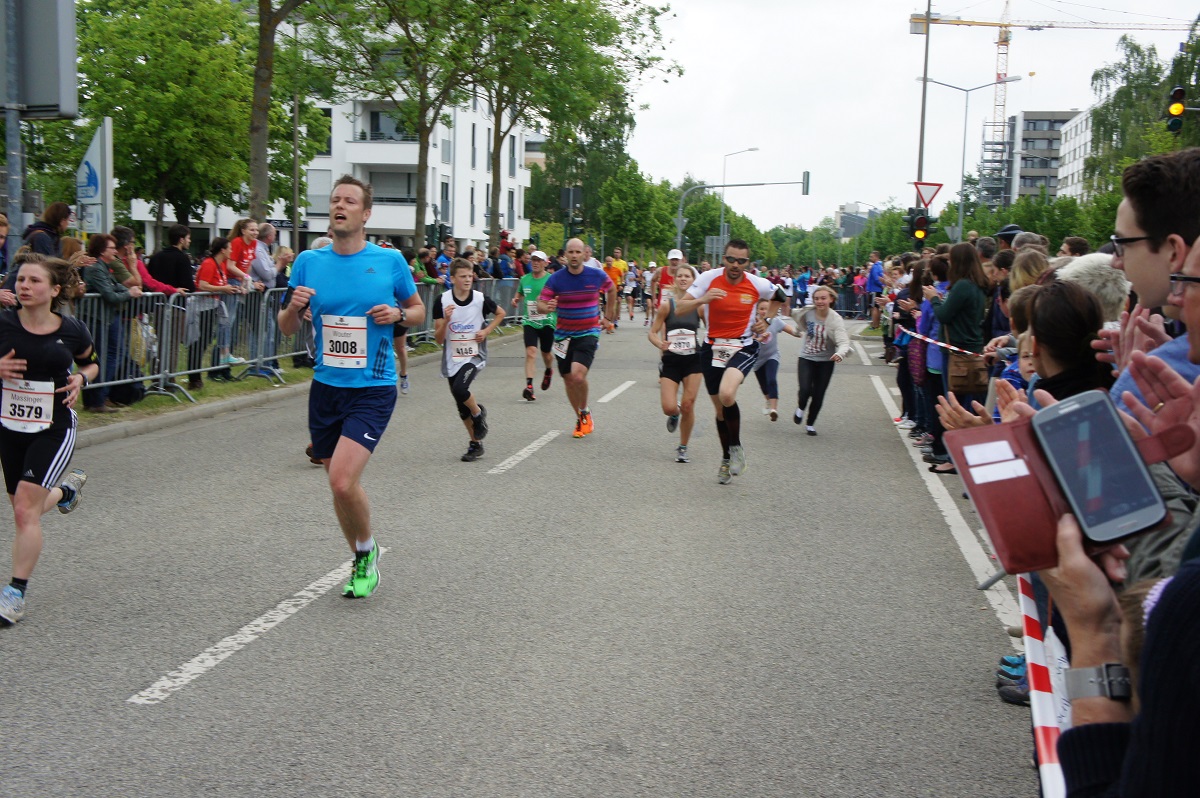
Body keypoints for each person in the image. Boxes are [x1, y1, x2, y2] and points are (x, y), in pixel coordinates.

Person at [278, 175, 424, 599]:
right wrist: (294, 307)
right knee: (337, 484)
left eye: (349, 201)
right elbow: (286, 328)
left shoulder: (389, 260)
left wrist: (397, 315)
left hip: (373, 386)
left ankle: (364, 554)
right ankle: (363, 550)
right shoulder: (308, 261)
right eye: (335, 200)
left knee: (342, 481)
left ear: (366, 214)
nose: (339, 206)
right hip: (326, 387)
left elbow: (417, 310)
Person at [0, 256, 97, 624]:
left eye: (34, 281)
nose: (24, 286)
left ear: (55, 290)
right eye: (21, 279)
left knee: (24, 510)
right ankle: (65, 492)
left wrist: (82, 378)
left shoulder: (72, 330)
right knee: (24, 508)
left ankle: (14, 594)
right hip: (9, 426)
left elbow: (90, 362)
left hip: (54, 425)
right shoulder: (3, 323)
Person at [675, 239, 784, 484]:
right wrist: (703, 299)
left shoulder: (756, 282)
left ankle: (735, 447)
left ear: (748, 263)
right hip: (712, 347)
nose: (735, 265)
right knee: (720, 411)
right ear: (723, 258)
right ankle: (726, 458)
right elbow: (680, 308)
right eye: (731, 259)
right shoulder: (708, 278)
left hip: (743, 346)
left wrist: (766, 321)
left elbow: (780, 295)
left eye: (741, 261)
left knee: (727, 394)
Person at [537, 237, 617, 438]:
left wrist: (608, 316)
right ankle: (582, 416)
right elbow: (540, 303)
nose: (574, 256)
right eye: (570, 252)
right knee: (568, 380)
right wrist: (547, 307)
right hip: (563, 336)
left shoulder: (596, 275)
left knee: (578, 376)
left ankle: (583, 413)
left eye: (577, 252)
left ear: (584, 254)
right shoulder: (556, 279)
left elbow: (612, 289)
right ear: (565, 255)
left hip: (588, 332)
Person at [434, 258, 505, 462]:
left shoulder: (480, 299)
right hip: (452, 357)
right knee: (460, 405)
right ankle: (475, 444)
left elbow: (501, 313)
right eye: (462, 276)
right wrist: (446, 320)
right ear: (452, 278)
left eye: (470, 276)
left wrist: (486, 331)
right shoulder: (442, 300)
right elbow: (438, 339)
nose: (467, 280)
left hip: (474, 354)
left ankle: (478, 413)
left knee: (460, 389)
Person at [80, 234, 145, 412]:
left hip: (106, 317)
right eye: (112, 248)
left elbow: (115, 286)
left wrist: (128, 290)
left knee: (110, 355)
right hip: (97, 318)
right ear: (102, 250)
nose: (116, 251)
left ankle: (97, 398)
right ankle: (97, 399)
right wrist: (129, 293)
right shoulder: (95, 268)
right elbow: (109, 295)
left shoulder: (102, 267)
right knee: (104, 357)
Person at [648, 263, 704, 462]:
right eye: (680, 275)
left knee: (689, 404)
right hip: (671, 360)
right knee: (669, 407)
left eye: (687, 276)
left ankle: (683, 447)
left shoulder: (698, 306)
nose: (683, 279)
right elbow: (652, 332)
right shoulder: (667, 305)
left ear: (693, 280)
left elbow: (713, 329)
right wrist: (659, 344)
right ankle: (675, 413)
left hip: (693, 360)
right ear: (675, 279)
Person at [792, 285, 851, 435]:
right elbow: (799, 319)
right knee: (805, 389)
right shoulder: (808, 312)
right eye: (817, 299)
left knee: (818, 394)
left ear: (831, 299)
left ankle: (810, 424)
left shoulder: (835, 319)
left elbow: (843, 341)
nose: (820, 301)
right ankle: (801, 407)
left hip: (826, 361)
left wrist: (840, 353)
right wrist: (797, 330)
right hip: (806, 357)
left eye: (823, 298)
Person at [510, 249, 555, 401]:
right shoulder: (525, 279)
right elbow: (520, 292)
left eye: (538, 260)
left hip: (547, 321)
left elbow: (558, 295)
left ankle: (548, 370)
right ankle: (529, 386)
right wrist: (516, 299)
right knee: (531, 352)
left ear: (545, 263)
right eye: (533, 260)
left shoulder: (551, 279)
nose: (535, 263)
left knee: (546, 353)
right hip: (530, 321)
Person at [752, 298, 800, 422]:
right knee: (764, 387)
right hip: (757, 361)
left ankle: (774, 409)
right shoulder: (753, 324)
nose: (764, 311)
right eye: (761, 309)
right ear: (757, 310)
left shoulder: (776, 321)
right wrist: (760, 339)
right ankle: (768, 401)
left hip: (772, 355)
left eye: (767, 309)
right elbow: (749, 342)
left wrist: (798, 332)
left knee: (771, 380)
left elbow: (791, 330)